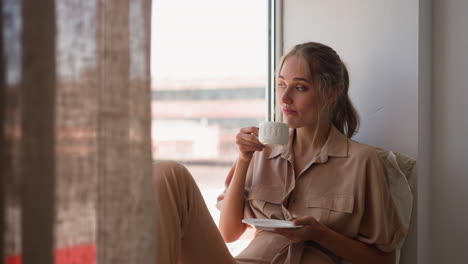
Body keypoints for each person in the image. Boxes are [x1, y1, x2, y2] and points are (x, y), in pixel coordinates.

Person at [154, 42, 406, 264]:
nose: (284, 98)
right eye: (281, 85)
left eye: (300, 88)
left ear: (331, 92)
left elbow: (384, 259)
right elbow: (229, 233)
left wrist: (318, 234)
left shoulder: (362, 162)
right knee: (167, 173)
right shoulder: (262, 152)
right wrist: (243, 160)